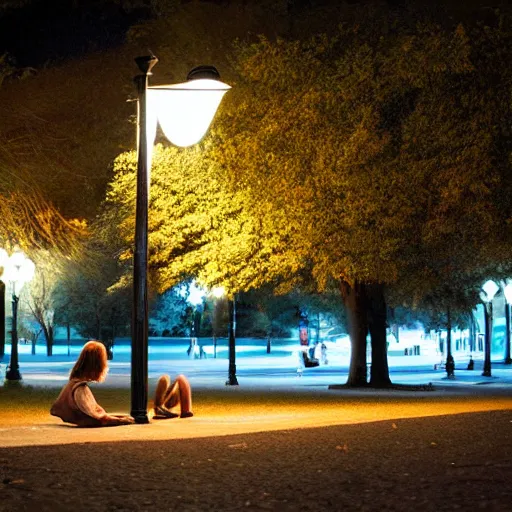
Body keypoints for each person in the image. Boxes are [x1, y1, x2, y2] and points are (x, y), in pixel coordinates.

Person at [50, 341, 193, 427]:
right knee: (178, 379)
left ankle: (169, 409)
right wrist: (122, 420)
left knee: (174, 379)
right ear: (97, 365)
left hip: (150, 396)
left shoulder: (74, 385)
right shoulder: (79, 389)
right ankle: (176, 410)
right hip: (149, 399)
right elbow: (100, 418)